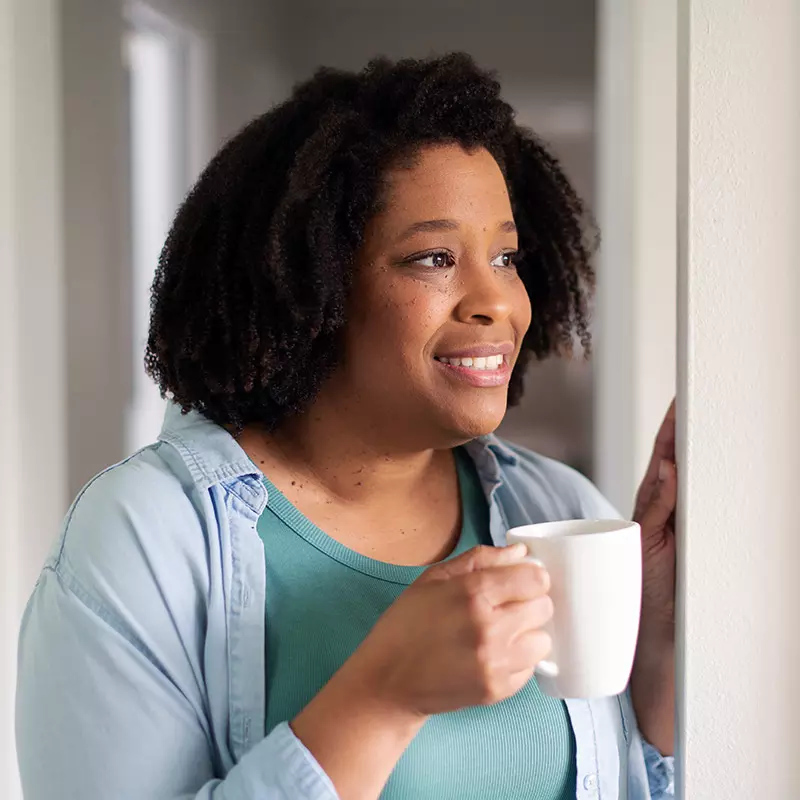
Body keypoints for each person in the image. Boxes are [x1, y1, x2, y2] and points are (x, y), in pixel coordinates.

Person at [16, 53, 677, 800]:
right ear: (311, 285)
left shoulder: (560, 509)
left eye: (505, 256)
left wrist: (657, 678)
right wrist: (380, 697)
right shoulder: (138, 540)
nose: (498, 301)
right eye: (434, 258)